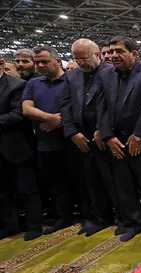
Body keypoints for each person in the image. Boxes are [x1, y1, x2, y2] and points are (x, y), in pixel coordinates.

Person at [98, 36, 141, 242]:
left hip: (140, 139)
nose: (113, 55)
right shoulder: (107, 74)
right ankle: (132, 224)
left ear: (133, 54)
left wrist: (138, 135)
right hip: (116, 140)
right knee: (123, 185)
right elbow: (103, 107)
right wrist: (108, 136)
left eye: (119, 51)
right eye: (111, 51)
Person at [61, 39, 119, 237]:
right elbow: (66, 106)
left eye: (84, 58)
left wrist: (103, 130)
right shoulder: (71, 76)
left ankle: (122, 216)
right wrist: (72, 132)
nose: (81, 63)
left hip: (105, 138)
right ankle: (100, 218)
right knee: (90, 182)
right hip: (81, 140)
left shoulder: (111, 72)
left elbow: (113, 105)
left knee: (114, 181)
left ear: (97, 55)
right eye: (77, 59)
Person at [21, 46, 72, 235]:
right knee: (55, 182)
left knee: (79, 179)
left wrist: (61, 122)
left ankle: (88, 214)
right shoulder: (33, 83)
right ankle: (63, 217)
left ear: (57, 61)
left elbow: (78, 106)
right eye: (36, 62)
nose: (39, 65)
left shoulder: (72, 79)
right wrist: (50, 118)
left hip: (72, 139)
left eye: (44, 61)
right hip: (46, 143)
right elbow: (26, 109)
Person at [0, 57, 42, 241]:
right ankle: (10, 225)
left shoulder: (18, 85)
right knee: (2, 192)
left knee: (27, 189)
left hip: (16, 147)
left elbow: (19, 114)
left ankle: (34, 225)